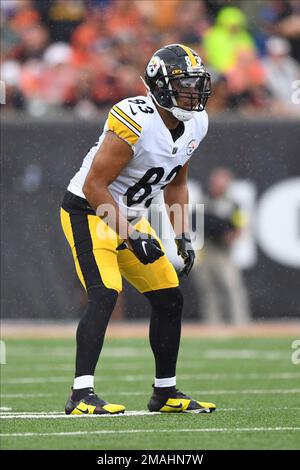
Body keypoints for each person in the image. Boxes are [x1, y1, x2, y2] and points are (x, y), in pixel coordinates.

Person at [60, 44, 216, 415]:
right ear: (160, 86)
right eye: (185, 85)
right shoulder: (135, 117)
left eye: (196, 85)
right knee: (105, 292)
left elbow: (177, 182)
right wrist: (130, 235)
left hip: (130, 215)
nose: (193, 93)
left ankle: (165, 392)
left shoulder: (196, 123)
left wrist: (182, 234)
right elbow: (94, 186)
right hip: (90, 211)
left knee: (168, 295)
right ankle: (81, 394)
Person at [193, 168, 251, 325]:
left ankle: (240, 321)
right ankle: (212, 322)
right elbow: (194, 222)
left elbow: (241, 225)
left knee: (231, 286)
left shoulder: (233, 204)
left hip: (223, 251)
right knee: (207, 288)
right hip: (205, 249)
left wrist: (232, 235)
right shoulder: (203, 201)